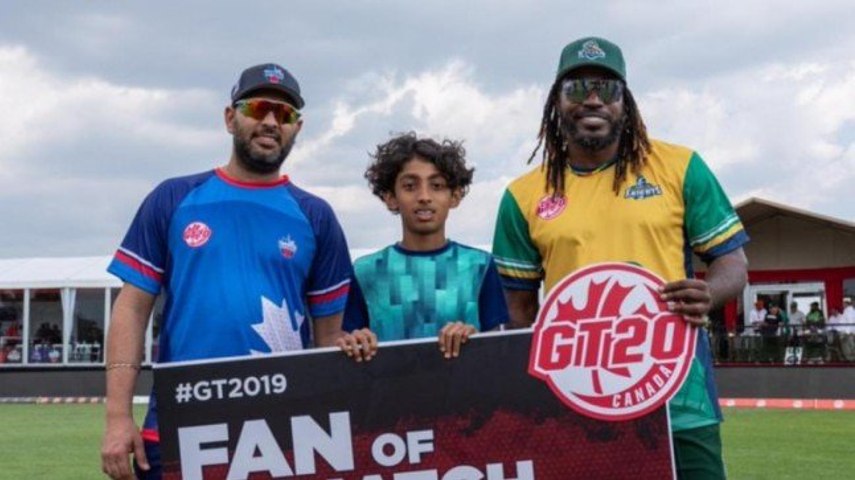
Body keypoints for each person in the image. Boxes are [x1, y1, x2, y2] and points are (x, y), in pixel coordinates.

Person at [492, 37, 748, 479]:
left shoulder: (681, 167)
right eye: (577, 88)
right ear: (556, 102)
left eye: (607, 89)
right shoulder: (522, 196)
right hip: (578, 401)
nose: (593, 99)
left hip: (679, 397)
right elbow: (519, 315)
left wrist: (708, 293)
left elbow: (733, 264)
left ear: (625, 103)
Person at [100, 64, 355, 480]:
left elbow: (328, 342)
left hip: (281, 433)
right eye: (257, 108)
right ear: (229, 117)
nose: (270, 121)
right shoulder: (174, 198)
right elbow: (131, 309)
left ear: (297, 127)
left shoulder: (316, 216)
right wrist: (117, 418)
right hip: (180, 425)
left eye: (284, 114)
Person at [340, 133, 509, 361]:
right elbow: (349, 343)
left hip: (465, 384)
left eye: (437, 186)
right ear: (390, 197)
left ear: (455, 196)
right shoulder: (366, 272)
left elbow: (499, 351)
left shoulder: (479, 266)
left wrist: (476, 340)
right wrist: (354, 341)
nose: (424, 196)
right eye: (410, 186)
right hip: (388, 384)